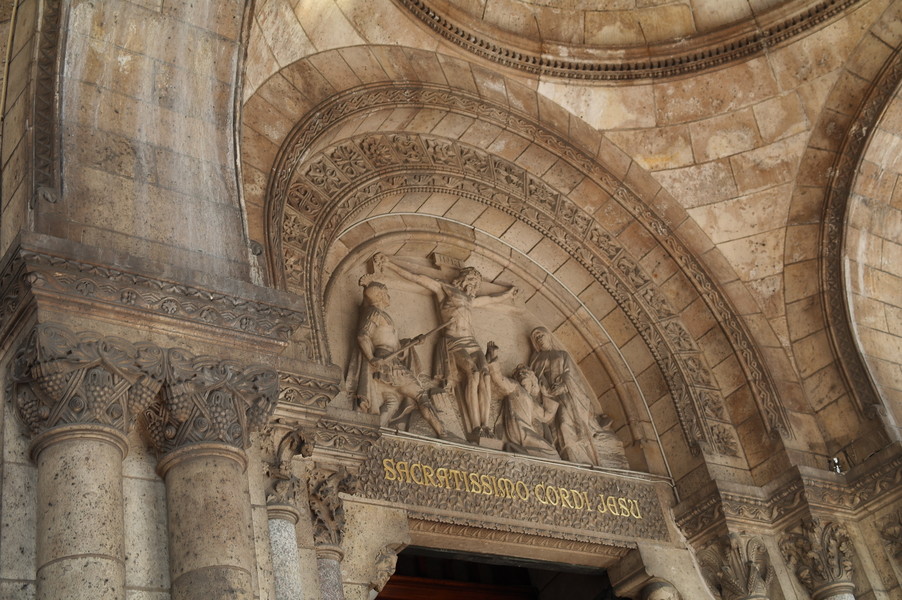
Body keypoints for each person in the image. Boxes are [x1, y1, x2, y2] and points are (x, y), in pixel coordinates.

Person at [373, 253, 518, 440]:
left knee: (485, 375)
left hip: (472, 342)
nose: (474, 285)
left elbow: (491, 298)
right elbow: (418, 277)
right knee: (473, 373)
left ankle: (486, 425)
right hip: (454, 341)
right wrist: (390, 264)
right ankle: (476, 426)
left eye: (476, 283)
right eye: (472, 280)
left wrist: (508, 294)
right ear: (463, 278)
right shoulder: (445, 290)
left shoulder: (470, 300)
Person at [348, 275, 449, 438]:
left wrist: (413, 341)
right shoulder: (374, 313)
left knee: (392, 402)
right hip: (388, 363)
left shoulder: (382, 315)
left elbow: (392, 343)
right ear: (380, 295)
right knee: (420, 395)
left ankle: (370, 435)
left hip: (390, 360)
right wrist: (371, 357)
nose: (389, 296)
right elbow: (362, 336)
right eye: (386, 293)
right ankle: (441, 431)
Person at [529, 327, 627, 468]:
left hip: (565, 395)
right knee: (556, 428)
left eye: (541, 335)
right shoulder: (536, 360)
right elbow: (534, 378)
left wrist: (563, 386)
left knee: (566, 422)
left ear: (548, 336)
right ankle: (565, 454)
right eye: (536, 338)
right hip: (547, 398)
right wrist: (544, 388)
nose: (539, 339)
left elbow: (572, 375)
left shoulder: (562, 355)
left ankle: (580, 457)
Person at [485, 342, 560, 460]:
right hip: (519, 430)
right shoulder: (515, 387)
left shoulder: (532, 401)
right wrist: (493, 357)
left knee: (552, 453)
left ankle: (519, 452)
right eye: (519, 374)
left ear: (533, 381)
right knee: (551, 454)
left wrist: (549, 395)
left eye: (525, 373)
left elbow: (545, 416)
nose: (521, 374)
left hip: (528, 431)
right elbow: (499, 379)